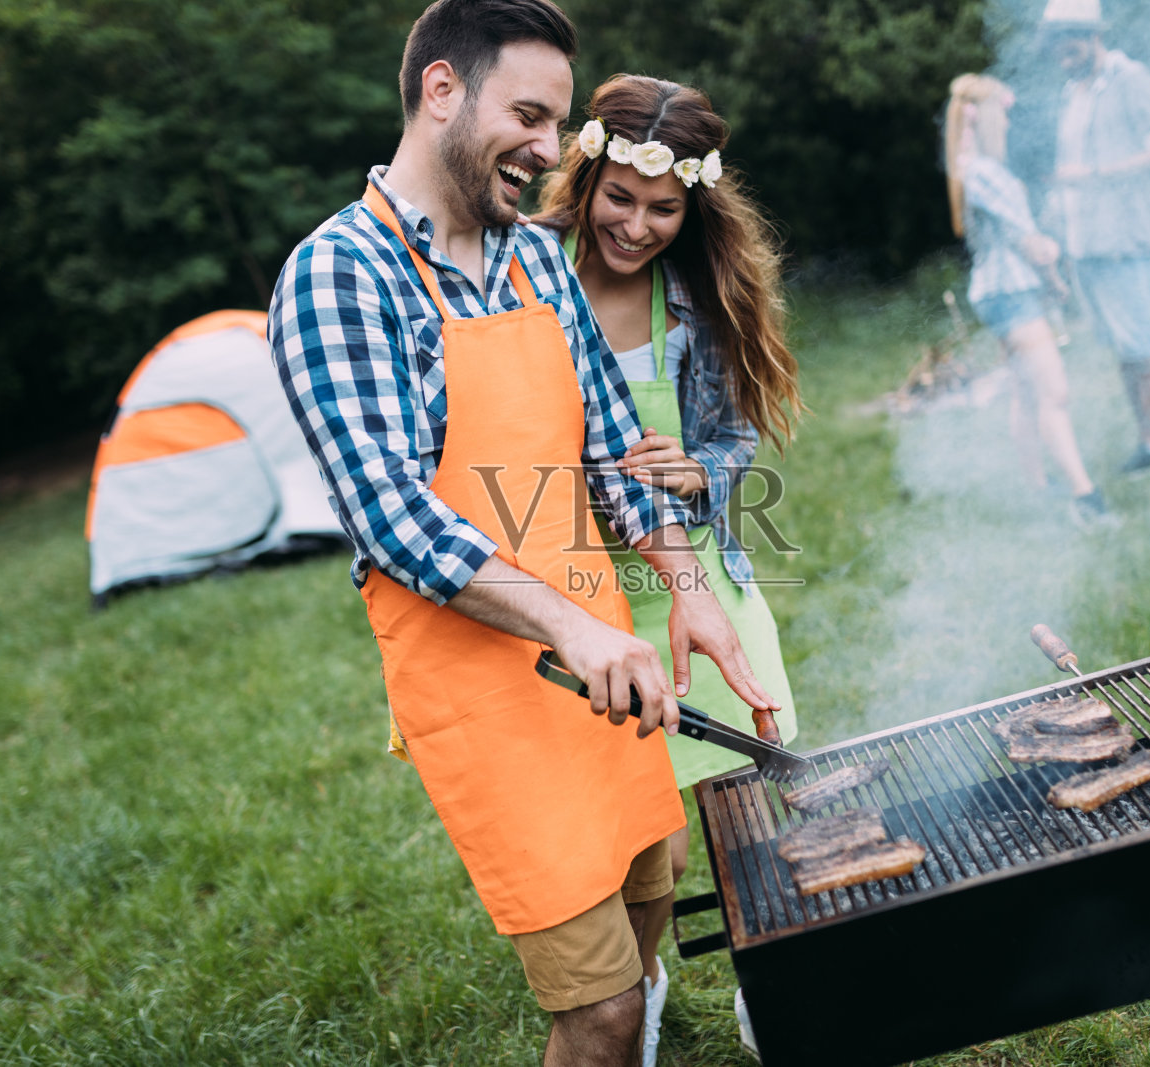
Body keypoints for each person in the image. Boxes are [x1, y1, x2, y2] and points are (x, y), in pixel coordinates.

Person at [267, 3, 778, 1064]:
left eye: (556, 125)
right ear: (443, 90)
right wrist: (573, 628)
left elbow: (612, 448)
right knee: (592, 1005)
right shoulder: (339, 274)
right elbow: (391, 514)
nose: (551, 150)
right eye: (532, 116)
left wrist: (687, 592)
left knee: (649, 902)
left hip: (606, 657)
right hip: (492, 688)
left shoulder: (534, 259)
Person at [533, 74, 804, 1064]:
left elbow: (733, 441)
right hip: (588, 599)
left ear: (691, 205)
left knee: (746, 802)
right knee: (638, 833)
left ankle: (768, 978)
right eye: (619, 199)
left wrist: (702, 469)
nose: (637, 227)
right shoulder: (529, 274)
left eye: (662, 209)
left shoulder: (697, 292)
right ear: (587, 174)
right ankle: (633, 992)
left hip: (700, 590)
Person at [944, 73, 1113, 526]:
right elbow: (1031, 243)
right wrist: (1055, 266)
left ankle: (1038, 490)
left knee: (1024, 389)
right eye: (1004, 114)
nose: (1009, 123)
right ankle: (1086, 498)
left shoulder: (969, 170)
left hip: (1000, 293)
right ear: (986, 118)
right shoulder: (985, 173)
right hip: (1014, 294)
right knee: (1054, 392)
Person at [1042, 0, 1150, 493]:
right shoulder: (1071, 92)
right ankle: (1147, 443)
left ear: (1092, 34)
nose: (1062, 48)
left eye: (1070, 37)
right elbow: (1067, 170)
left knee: (1145, 349)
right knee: (1122, 351)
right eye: (1055, 40)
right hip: (1086, 246)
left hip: (1125, 240)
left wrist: (1096, 174)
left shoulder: (1132, 79)